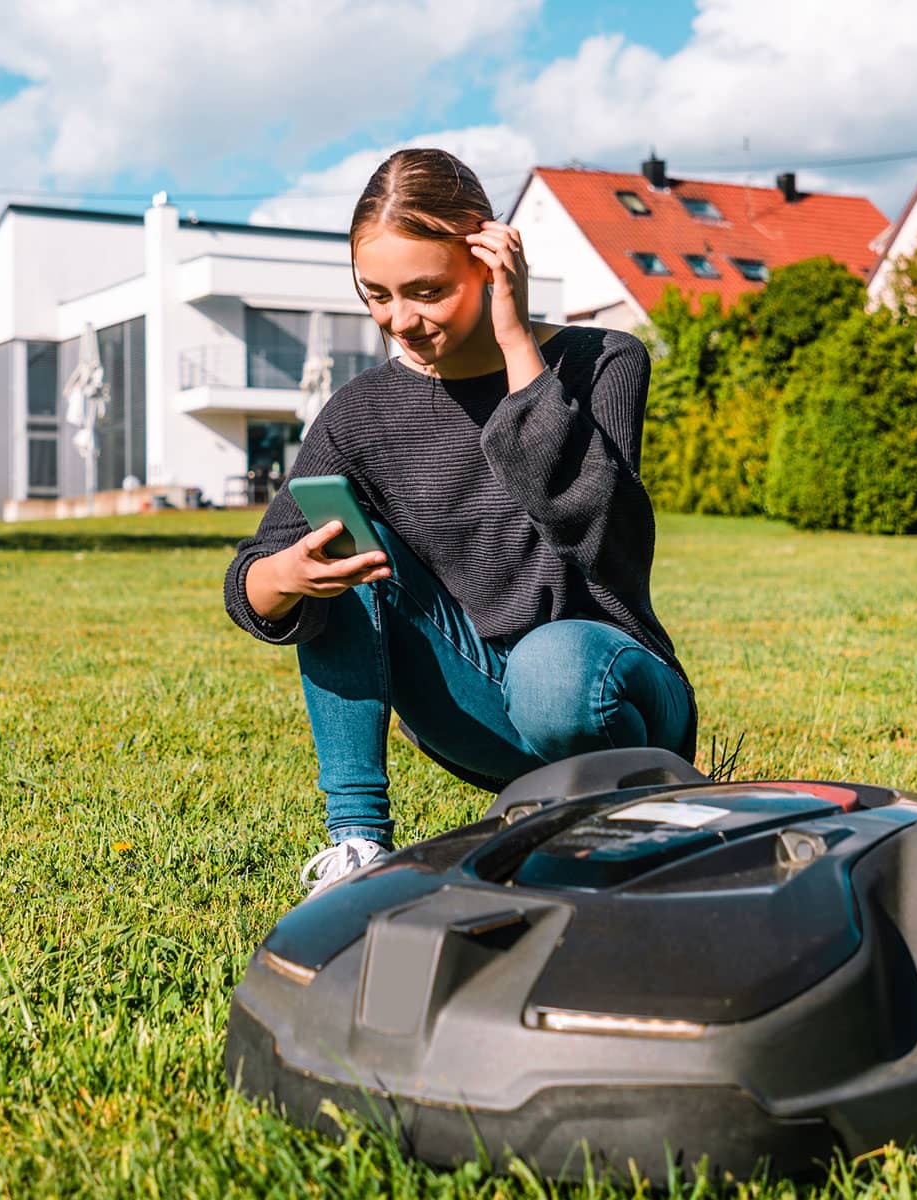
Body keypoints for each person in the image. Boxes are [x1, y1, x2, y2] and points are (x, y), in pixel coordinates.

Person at [222, 148, 696, 897]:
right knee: (341, 551)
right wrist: (285, 576)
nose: (398, 320)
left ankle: (628, 808)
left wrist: (516, 347)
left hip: (611, 692)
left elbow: (599, 534)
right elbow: (253, 577)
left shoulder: (603, 359)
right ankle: (358, 848)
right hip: (478, 710)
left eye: (427, 291)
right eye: (375, 294)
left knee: (551, 667)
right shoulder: (357, 416)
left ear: (491, 257)